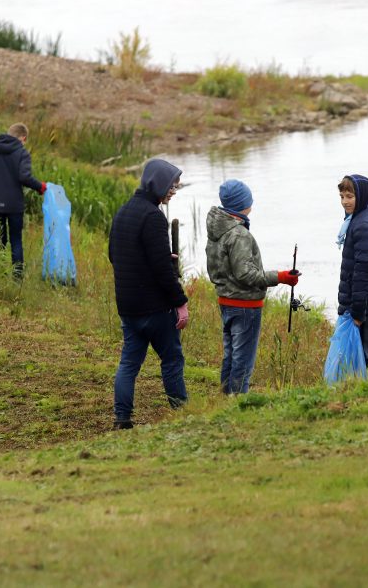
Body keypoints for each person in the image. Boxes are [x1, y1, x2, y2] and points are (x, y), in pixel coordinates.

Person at [108, 158, 189, 429]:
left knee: (129, 362)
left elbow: (114, 255)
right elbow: (161, 270)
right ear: (157, 183)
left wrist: (162, 257)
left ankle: (122, 418)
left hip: (128, 306)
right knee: (172, 358)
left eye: (176, 188)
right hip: (154, 307)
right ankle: (181, 412)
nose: (172, 192)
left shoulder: (123, 212)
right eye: (171, 187)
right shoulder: (154, 217)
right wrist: (181, 302)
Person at [206, 179, 300, 394]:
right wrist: (282, 277)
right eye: (250, 200)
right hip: (245, 305)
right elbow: (245, 274)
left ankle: (225, 397)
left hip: (226, 301)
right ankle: (238, 400)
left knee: (231, 354)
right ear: (243, 205)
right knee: (243, 358)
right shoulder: (239, 235)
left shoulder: (217, 229)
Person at [0, 123, 46, 277]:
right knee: (16, 240)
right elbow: (24, 176)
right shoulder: (22, 153)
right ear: (23, 138)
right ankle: (17, 278)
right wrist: (40, 187)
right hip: (14, 205)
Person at [336, 175, 368, 373]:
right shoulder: (359, 219)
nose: (344, 202)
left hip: (366, 306)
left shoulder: (363, 225)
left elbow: (363, 272)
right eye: (342, 196)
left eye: (349, 196)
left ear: (363, 196)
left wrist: (358, 312)